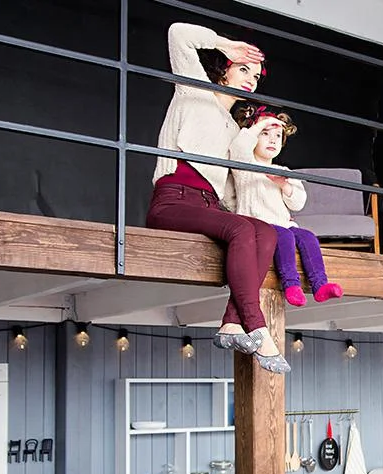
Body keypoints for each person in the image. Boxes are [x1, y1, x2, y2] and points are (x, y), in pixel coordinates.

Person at [145, 22, 290, 374]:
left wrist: (277, 195)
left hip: (210, 206)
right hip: (173, 200)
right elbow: (178, 33)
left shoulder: (232, 129)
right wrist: (229, 45)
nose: (251, 79)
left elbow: (232, 191)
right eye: (244, 69)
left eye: (256, 76)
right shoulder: (193, 90)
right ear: (223, 69)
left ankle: (231, 323)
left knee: (266, 232)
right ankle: (256, 327)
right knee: (243, 231)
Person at [230, 107, 343, 307]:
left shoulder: (283, 171)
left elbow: (298, 203)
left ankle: (320, 284)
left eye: (277, 135)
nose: (272, 140)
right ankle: (291, 285)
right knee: (284, 235)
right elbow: (239, 147)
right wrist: (260, 124)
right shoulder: (245, 166)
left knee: (307, 236)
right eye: (265, 134)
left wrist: (284, 185)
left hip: (282, 222)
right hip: (258, 223)